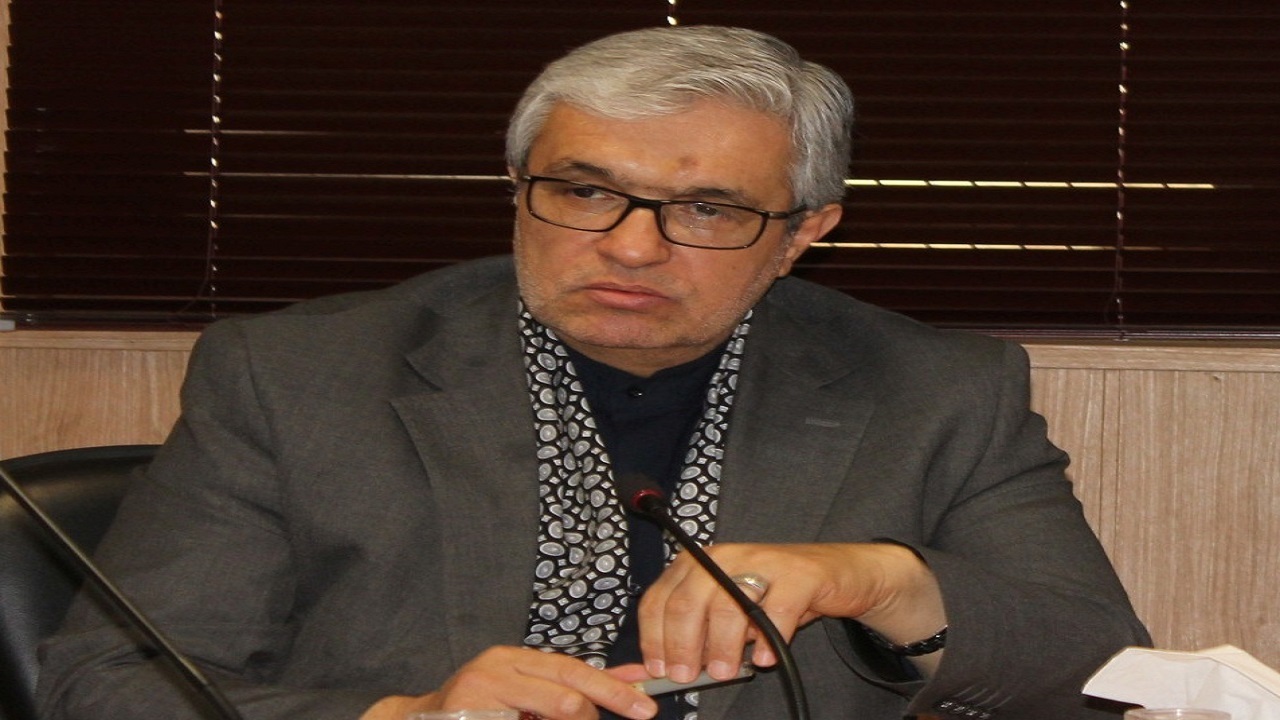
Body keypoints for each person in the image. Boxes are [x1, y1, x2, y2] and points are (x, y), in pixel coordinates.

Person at [36, 25, 1150, 720]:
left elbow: (1101, 676)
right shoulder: (295, 377)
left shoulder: (936, 392)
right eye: (582, 191)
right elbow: (108, 684)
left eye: (705, 209)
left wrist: (880, 581)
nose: (630, 247)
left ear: (804, 232)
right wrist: (404, 718)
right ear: (517, 186)